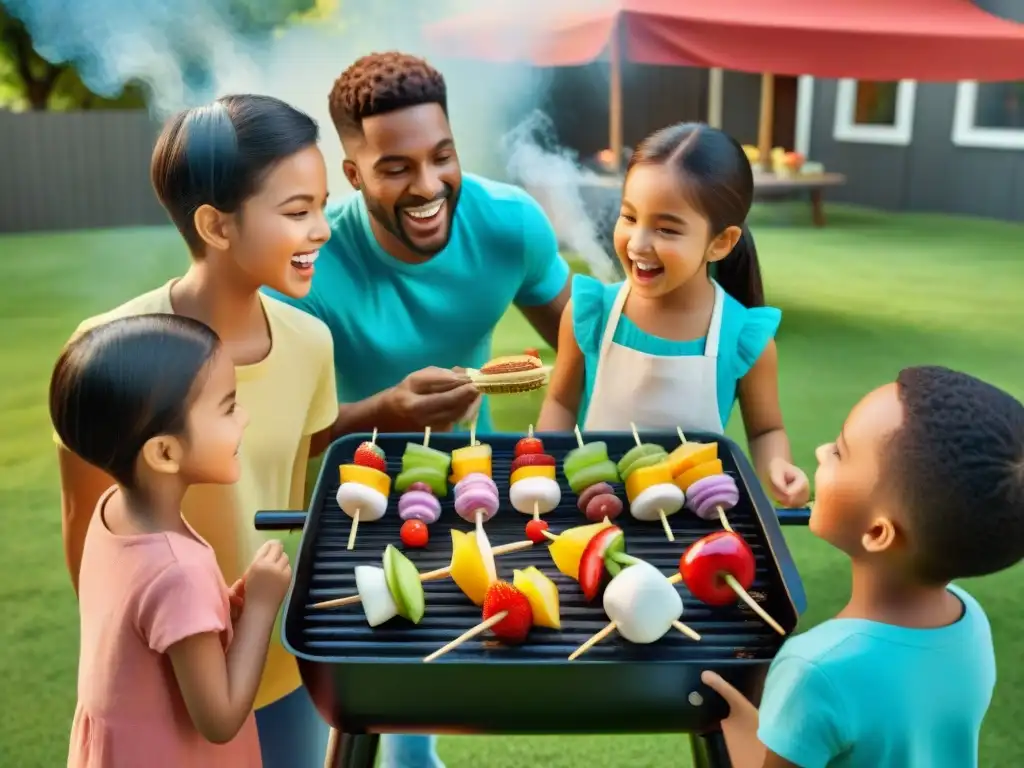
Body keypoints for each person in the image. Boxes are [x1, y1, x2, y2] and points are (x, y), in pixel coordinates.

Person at [55, 95, 337, 767]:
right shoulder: (109, 353)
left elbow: (287, 503)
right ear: (215, 224)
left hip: (281, 666)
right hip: (164, 684)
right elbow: (87, 541)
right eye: (298, 212)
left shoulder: (311, 343)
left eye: (323, 204)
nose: (323, 229)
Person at [701, 365, 1024, 768]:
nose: (821, 451)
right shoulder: (969, 619)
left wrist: (739, 723)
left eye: (839, 452)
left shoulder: (815, 671)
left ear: (877, 532)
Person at [266, 51, 571, 448]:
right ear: (354, 176)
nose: (428, 187)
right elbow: (275, 433)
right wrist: (384, 413)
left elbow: (588, 350)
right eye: (396, 169)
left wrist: (553, 435)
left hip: (480, 478)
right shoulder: (306, 262)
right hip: (358, 493)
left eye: (442, 157)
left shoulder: (512, 224)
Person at [55, 313, 293, 766]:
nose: (243, 417)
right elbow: (219, 719)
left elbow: (150, 624)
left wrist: (224, 607)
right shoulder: (177, 570)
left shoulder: (112, 512)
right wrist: (262, 608)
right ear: (165, 451)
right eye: (227, 407)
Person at [537, 122, 809, 507]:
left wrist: (778, 468)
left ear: (720, 243)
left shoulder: (744, 338)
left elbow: (766, 429)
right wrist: (546, 471)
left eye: (666, 229)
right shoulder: (590, 313)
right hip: (594, 509)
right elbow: (561, 403)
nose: (639, 243)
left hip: (696, 528)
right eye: (630, 217)